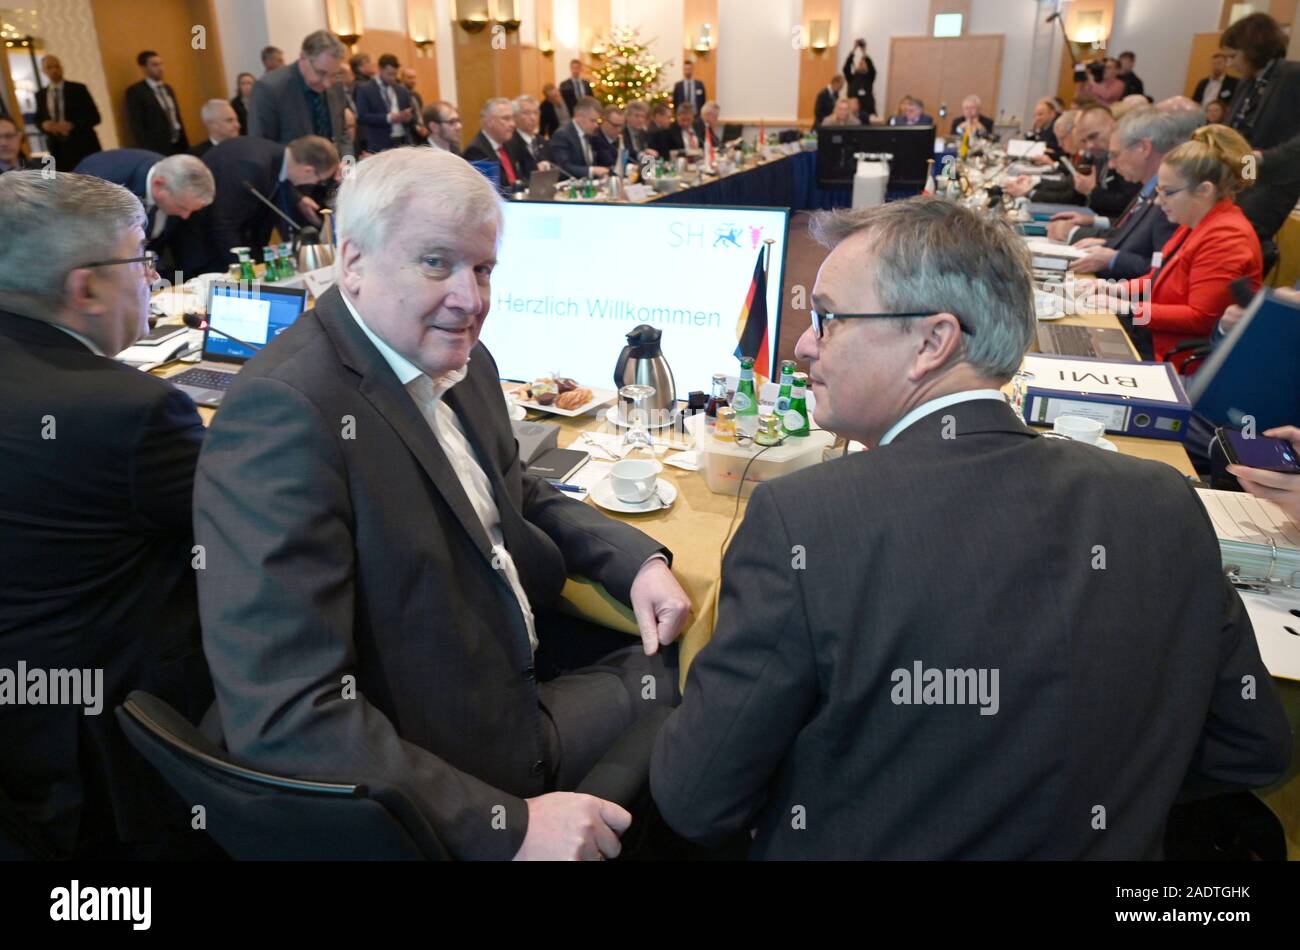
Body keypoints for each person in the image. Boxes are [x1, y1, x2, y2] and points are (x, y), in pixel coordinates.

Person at [649, 196, 1291, 859]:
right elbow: (1253, 750)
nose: (806, 343)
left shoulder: (803, 520)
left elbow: (696, 799)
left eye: (829, 318)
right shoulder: (1164, 499)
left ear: (932, 342)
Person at [193, 146, 692, 860]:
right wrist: (509, 826)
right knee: (698, 670)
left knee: (691, 634)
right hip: (447, 756)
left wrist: (636, 562)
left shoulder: (459, 356)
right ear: (353, 262)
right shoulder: (283, 416)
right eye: (437, 263)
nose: (472, 297)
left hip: (504, 657)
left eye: (483, 268)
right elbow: (286, 715)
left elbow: (515, 492)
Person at [0, 170, 213, 859]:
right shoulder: (133, 411)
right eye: (141, 261)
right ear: (84, 287)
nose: (153, 279)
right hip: (97, 737)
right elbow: (250, 520)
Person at [1080, 124, 1263, 364]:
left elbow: (1200, 318)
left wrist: (1126, 308)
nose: (1158, 201)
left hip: (1178, 362)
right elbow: (1159, 278)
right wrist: (1114, 289)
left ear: (1204, 190)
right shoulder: (1194, 222)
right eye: (1158, 191)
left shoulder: (1227, 236)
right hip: (1155, 343)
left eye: (1167, 192)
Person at [1048, 107, 1184, 280]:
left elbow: (1164, 270)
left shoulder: (1172, 198)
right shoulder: (1149, 187)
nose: (1111, 164)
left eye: (1115, 155)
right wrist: (1106, 244)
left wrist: (1114, 259)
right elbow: (1135, 240)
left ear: (1144, 148)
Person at [183, 134, 338, 275]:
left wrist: (297, 199)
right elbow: (224, 225)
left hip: (226, 239)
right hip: (204, 248)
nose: (315, 184)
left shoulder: (274, 155)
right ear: (308, 170)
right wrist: (249, 271)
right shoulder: (253, 167)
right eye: (319, 180)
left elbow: (279, 181)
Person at [1222, 12, 1300, 244]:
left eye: (1233, 56)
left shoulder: (1293, 76)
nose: (1230, 64)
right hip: (1244, 175)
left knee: (1237, 238)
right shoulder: (1247, 83)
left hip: (1274, 180)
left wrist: (1264, 158)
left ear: (1252, 49)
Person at [73, 149, 213, 266]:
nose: (185, 216)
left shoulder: (178, 182)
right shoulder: (101, 182)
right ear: (158, 185)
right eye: (181, 207)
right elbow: (86, 242)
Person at [249, 30, 352, 159]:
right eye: (321, 73)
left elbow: (342, 135)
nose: (327, 84)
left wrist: (349, 172)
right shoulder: (270, 88)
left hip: (336, 175)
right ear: (303, 58)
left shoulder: (335, 85)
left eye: (333, 75)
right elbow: (261, 146)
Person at [34, 55, 102, 170]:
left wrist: (72, 125)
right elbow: (38, 119)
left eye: (57, 66)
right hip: (58, 148)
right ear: (43, 71)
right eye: (49, 67)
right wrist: (44, 126)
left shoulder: (78, 89)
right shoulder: (41, 94)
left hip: (82, 144)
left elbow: (95, 117)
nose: (54, 70)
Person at [124, 51, 189, 155]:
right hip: (157, 148)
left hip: (178, 144)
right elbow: (137, 125)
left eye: (161, 64)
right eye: (154, 65)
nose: (160, 68)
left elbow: (176, 117)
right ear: (144, 68)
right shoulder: (136, 92)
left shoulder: (168, 89)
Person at [462, 97, 532, 188]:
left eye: (512, 118)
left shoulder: (511, 143)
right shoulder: (475, 151)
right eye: (506, 119)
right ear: (489, 122)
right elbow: (492, 189)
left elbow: (526, 173)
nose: (513, 124)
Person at [354, 53, 416, 153]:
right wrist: (389, 118)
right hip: (379, 142)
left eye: (395, 74)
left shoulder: (401, 90)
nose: (393, 78)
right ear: (380, 69)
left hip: (403, 140)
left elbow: (411, 115)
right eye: (389, 74)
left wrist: (408, 117)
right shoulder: (365, 89)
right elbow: (362, 117)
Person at [548, 96, 609, 179]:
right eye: (592, 121)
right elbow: (563, 168)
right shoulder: (562, 135)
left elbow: (603, 157)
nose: (596, 125)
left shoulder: (591, 134)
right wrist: (592, 170)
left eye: (597, 121)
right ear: (579, 117)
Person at [843, 38, 877, 122]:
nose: (861, 64)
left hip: (867, 110)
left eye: (864, 63)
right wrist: (854, 49)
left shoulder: (869, 76)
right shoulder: (851, 77)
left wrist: (864, 52)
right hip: (852, 111)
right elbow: (846, 68)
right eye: (860, 62)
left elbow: (872, 68)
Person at [511, 95, 549, 166]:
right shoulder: (510, 143)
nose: (533, 117)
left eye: (536, 113)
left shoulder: (543, 141)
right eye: (526, 113)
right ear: (514, 116)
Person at [402, 67, 428, 143]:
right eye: (409, 78)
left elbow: (420, 113)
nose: (413, 80)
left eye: (414, 77)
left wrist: (423, 126)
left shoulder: (416, 95)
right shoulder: (400, 95)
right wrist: (417, 128)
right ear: (402, 78)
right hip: (409, 133)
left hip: (421, 131)